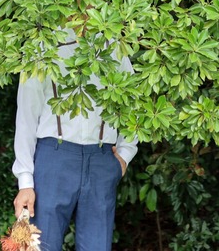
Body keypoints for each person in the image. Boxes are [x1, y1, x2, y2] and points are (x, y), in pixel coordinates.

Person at [13, 26, 137, 251]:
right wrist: (25, 181)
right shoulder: (43, 46)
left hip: (102, 159)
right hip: (54, 159)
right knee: (42, 247)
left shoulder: (113, 45)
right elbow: (26, 118)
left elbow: (132, 100)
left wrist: (125, 155)